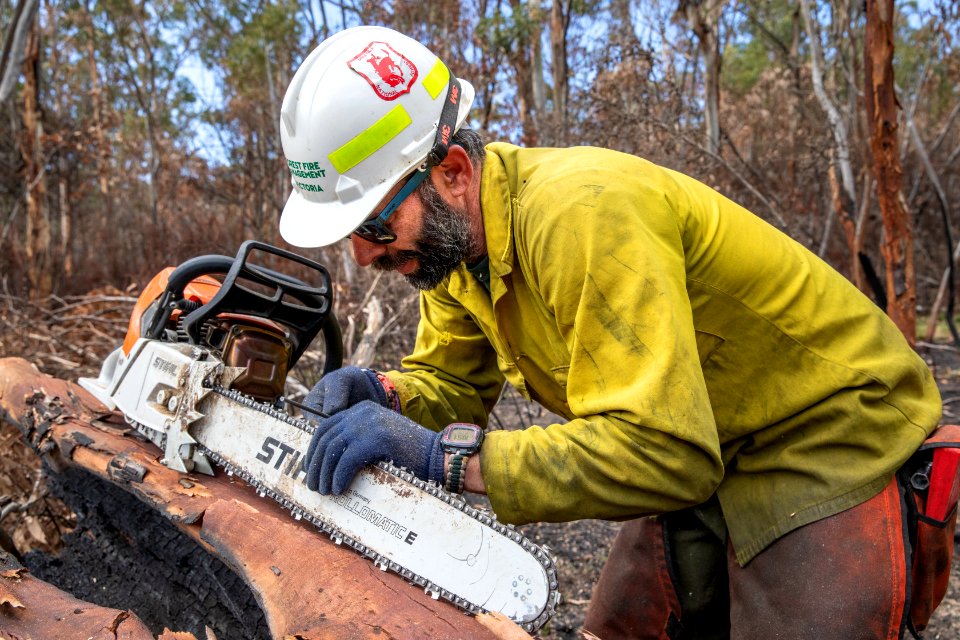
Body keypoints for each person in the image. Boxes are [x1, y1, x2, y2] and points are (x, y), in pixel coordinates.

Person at [278, 25, 954, 639]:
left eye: (372, 225)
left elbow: (666, 451)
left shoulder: (581, 214)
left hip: (826, 425)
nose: (365, 256)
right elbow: (451, 382)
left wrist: (450, 459)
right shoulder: (452, 251)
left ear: (451, 172)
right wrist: (385, 396)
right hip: (702, 437)